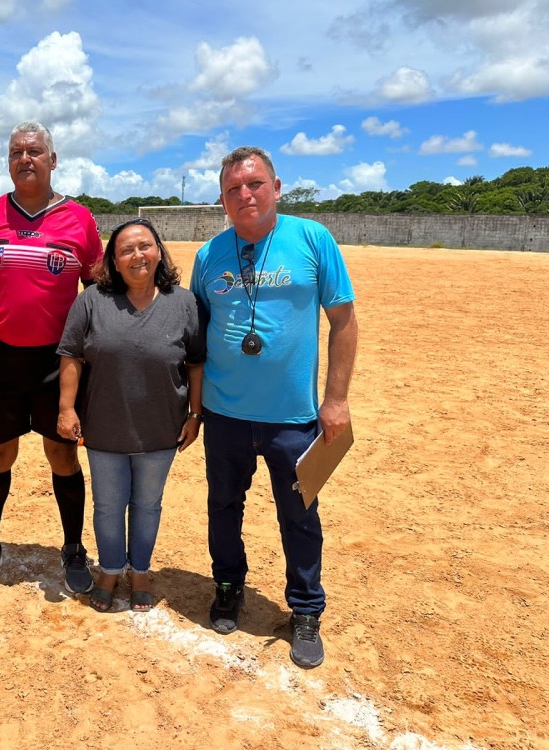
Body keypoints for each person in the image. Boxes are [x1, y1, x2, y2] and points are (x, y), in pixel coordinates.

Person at [190, 146, 358, 668]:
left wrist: (335, 400)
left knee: (300, 515)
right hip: (225, 414)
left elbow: (344, 322)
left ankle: (306, 610)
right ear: (221, 199)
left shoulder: (312, 239)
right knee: (223, 508)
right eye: (233, 188)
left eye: (255, 183)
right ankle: (227, 587)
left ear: (277, 187)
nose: (246, 194)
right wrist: (194, 409)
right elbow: (195, 335)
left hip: (293, 417)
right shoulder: (208, 256)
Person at [0, 121, 103, 592]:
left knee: (61, 453)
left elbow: (97, 293)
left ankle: (73, 548)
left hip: (59, 361)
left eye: (35, 151)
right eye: (16, 152)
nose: (25, 159)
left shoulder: (79, 220)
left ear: (52, 160)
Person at [57, 218, 205, 612]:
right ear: (114, 261)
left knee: (147, 504)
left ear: (159, 250)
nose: (137, 255)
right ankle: (108, 569)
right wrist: (67, 408)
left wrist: (195, 414)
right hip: (104, 426)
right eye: (126, 250)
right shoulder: (92, 301)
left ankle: (139, 570)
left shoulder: (184, 302)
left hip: (161, 428)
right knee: (107, 505)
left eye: (145, 245)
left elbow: (195, 363)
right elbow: (71, 355)